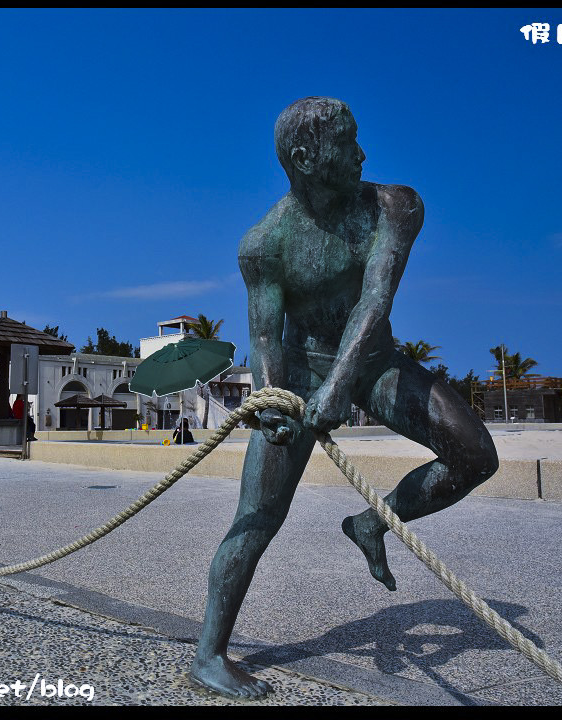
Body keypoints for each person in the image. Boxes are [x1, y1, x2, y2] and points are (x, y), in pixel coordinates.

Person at [189, 98, 499, 698]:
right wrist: (272, 403)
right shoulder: (264, 245)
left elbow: (374, 300)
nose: (364, 153)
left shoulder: (395, 206)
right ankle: (209, 654)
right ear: (305, 158)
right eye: (348, 142)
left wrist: (340, 387)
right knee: (256, 520)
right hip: (301, 376)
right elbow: (265, 336)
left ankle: (371, 523)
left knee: (473, 456)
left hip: (375, 363)